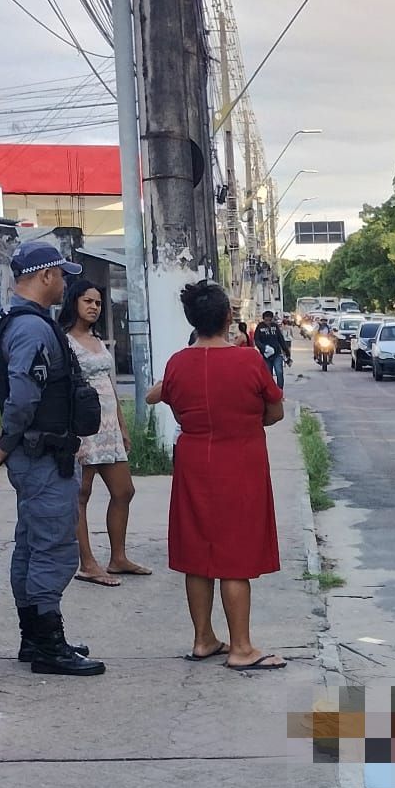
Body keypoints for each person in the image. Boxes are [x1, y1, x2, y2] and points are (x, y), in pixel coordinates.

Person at [150, 281, 287, 670]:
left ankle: (203, 639)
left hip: (194, 460)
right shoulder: (248, 361)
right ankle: (242, 648)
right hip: (241, 459)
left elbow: (175, 408)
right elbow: (274, 412)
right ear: (229, 317)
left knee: (197, 551)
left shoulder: (177, 362)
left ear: (193, 319)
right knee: (235, 555)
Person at [0, 241, 104, 676]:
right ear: (45, 276)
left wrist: (10, 439)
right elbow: (22, 394)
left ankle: (35, 639)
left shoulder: (21, 321)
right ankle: (49, 646)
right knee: (54, 549)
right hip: (43, 455)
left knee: (32, 546)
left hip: (36, 452)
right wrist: (7, 438)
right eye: (62, 275)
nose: (66, 283)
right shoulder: (33, 329)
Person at [59, 279, 149, 587]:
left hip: (108, 425)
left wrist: (123, 427)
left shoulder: (98, 340)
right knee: (80, 495)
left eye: (97, 302)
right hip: (82, 426)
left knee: (124, 491)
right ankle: (87, 563)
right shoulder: (64, 341)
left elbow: (109, 385)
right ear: (74, 302)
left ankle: (118, 557)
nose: (94, 307)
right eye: (88, 301)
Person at [253, 309, 292, 389]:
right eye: (266, 320)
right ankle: (270, 392)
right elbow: (256, 340)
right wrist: (264, 348)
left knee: (279, 372)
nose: (268, 322)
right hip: (266, 356)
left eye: (270, 320)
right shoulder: (260, 327)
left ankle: (280, 391)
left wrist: (287, 352)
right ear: (263, 319)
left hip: (277, 354)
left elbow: (281, 339)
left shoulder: (275, 326)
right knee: (268, 375)